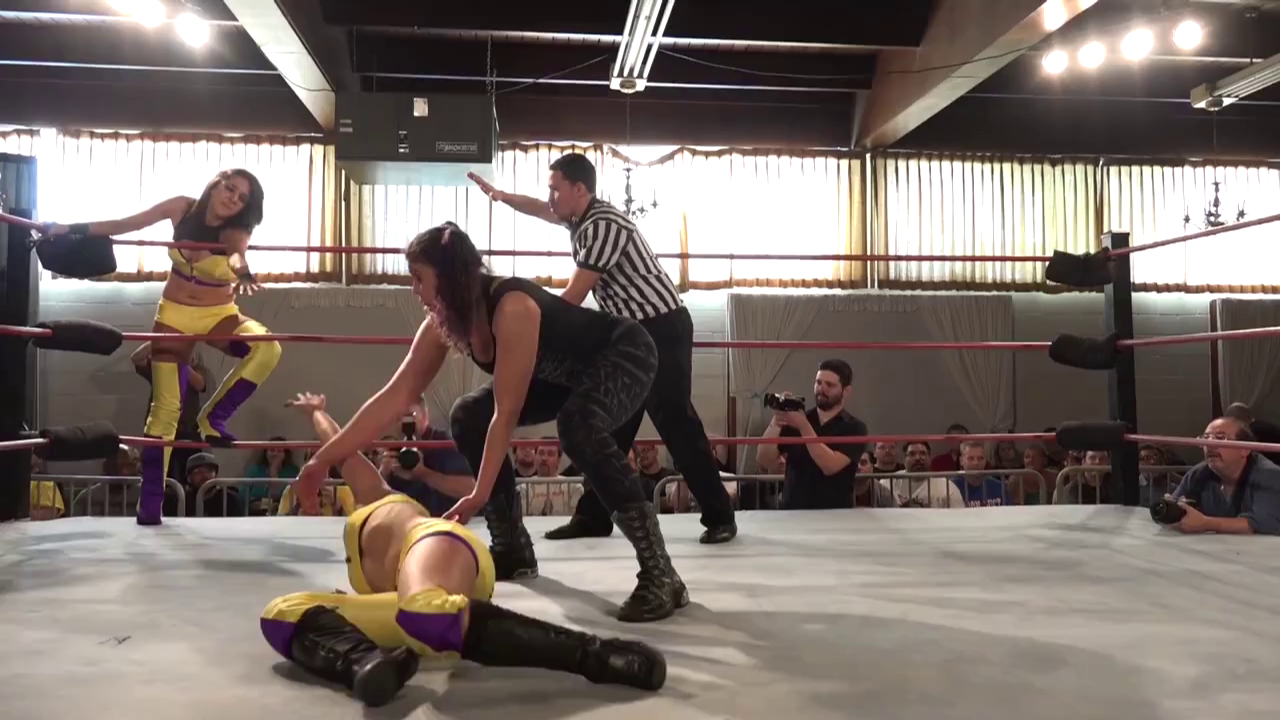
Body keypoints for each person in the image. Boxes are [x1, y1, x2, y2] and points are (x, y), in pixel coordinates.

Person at [296, 222, 688, 623]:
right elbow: (393, 399)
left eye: (419, 278)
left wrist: (477, 495)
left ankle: (661, 573)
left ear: (449, 277)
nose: (414, 290)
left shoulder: (511, 307)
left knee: (578, 427)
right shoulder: (443, 323)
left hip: (624, 351)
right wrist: (320, 461)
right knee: (468, 414)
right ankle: (511, 548)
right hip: (564, 376)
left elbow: (506, 414)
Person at [262, 392, 665, 707]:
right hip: (412, 605)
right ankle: (365, 663)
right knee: (282, 613)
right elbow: (337, 445)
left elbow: (341, 447)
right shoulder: (373, 505)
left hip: (436, 547)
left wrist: (322, 422)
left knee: (422, 609)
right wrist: (315, 411)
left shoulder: (383, 497)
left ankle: (594, 654)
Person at [468, 155, 737, 545]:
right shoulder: (578, 217)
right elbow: (540, 209)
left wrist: (525, 329)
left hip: (661, 327)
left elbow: (573, 297)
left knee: (675, 419)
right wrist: (501, 196)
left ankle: (719, 514)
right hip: (629, 334)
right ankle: (593, 515)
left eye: (556, 189)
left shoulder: (603, 225)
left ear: (580, 189)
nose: (550, 197)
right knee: (609, 425)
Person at [46, 169, 280, 526]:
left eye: (242, 197)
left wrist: (244, 274)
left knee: (268, 347)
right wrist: (69, 228)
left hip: (219, 314)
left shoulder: (237, 230)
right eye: (230, 188)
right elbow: (128, 223)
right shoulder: (181, 208)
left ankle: (213, 417)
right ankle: (151, 503)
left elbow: (236, 256)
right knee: (165, 410)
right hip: (174, 315)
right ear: (216, 184)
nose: (233, 198)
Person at [1165, 416, 1280, 535]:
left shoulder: (1270, 475)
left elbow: (1262, 523)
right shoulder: (1198, 474)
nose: (1209, 444)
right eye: (1205, 438)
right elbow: (1175, 505)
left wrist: (1206, 523)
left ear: (1245, 449)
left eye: (1220, 438)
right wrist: (1170, 510)